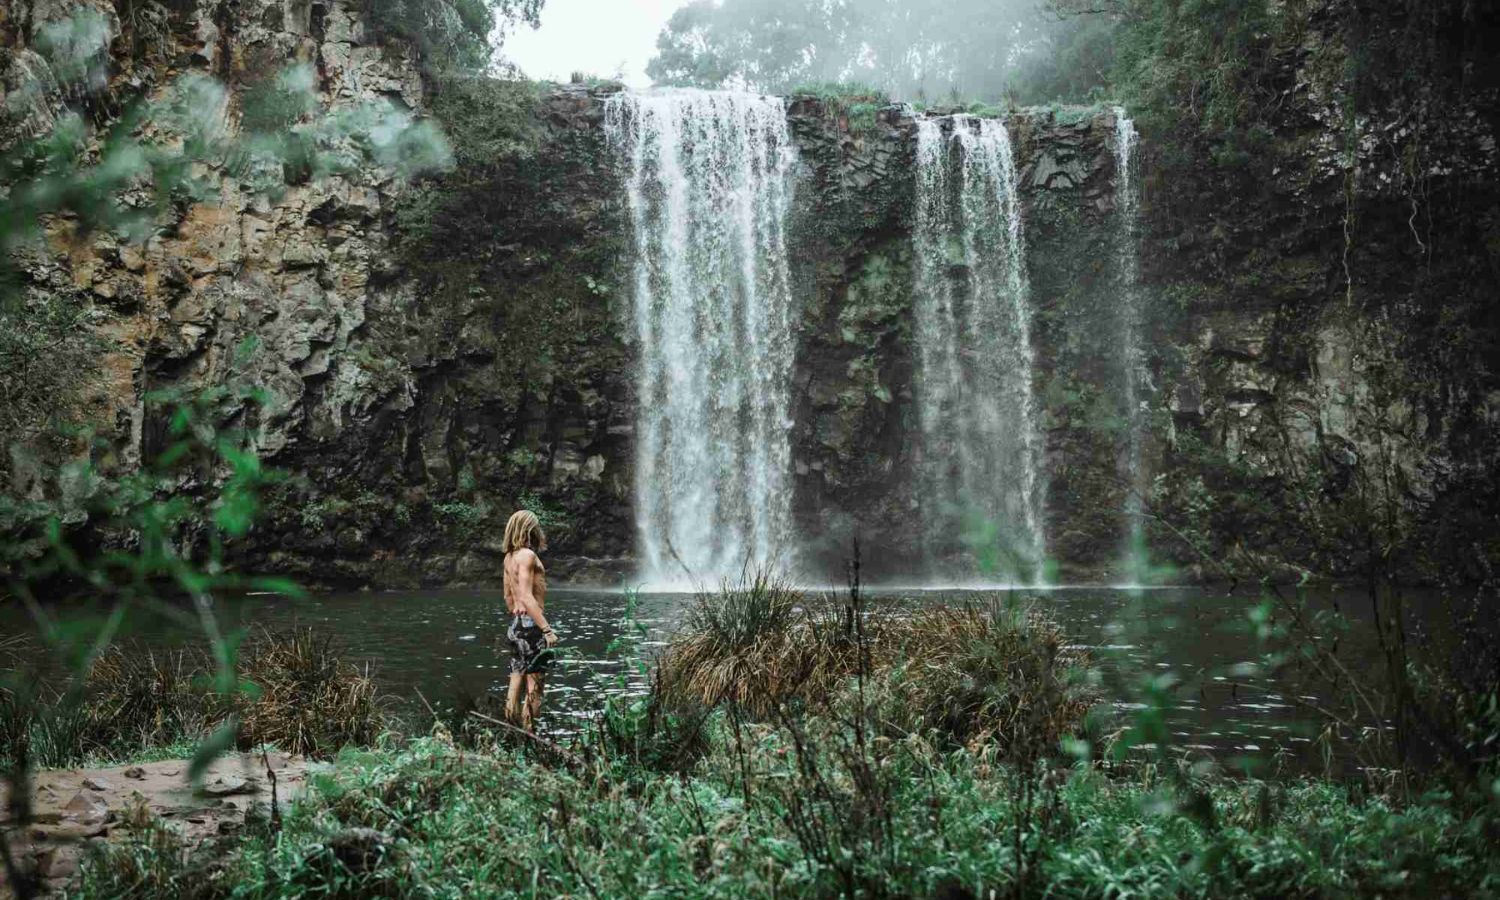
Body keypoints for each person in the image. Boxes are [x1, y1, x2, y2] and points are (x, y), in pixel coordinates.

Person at [502, 509, 558, 730]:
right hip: (531, 625)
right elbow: (526, 596)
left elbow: (508, 597)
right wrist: (546, 629)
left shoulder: (509, 558)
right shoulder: (527, 556)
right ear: (529, 529)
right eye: (536, 527)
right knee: (535, 685)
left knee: (515, 680)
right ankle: (530, 735)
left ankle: (511, 731)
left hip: (516, 625)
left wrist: (518, 618)